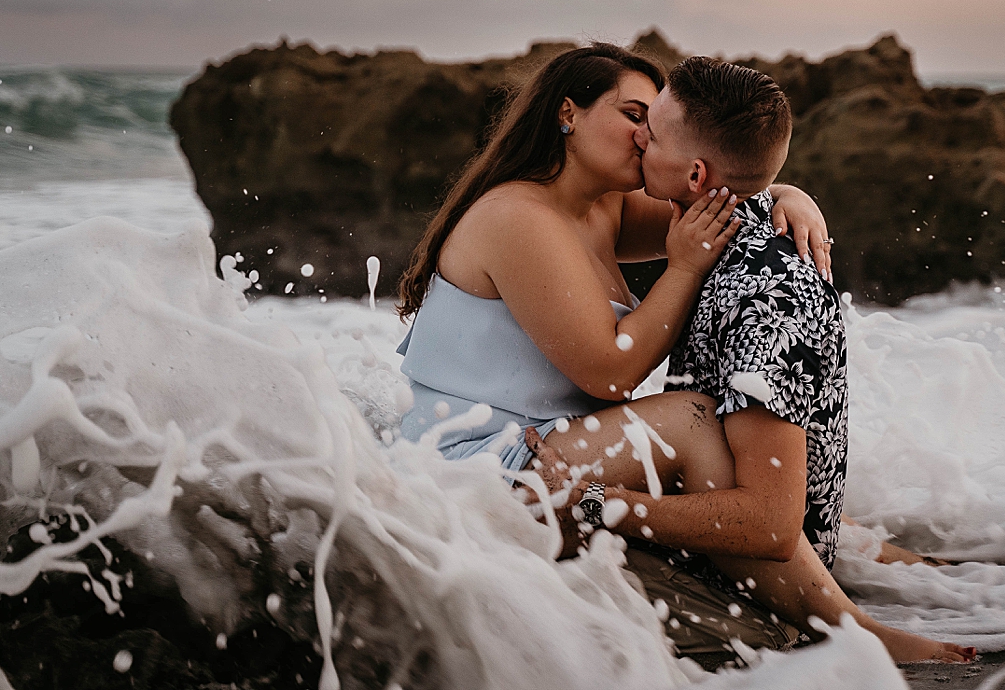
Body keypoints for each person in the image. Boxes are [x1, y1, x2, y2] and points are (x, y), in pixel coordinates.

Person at [394, 44, 970, 664]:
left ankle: (923, 571)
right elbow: (612, 373)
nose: (646, 137)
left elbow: (710, 190)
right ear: (569, 113)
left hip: (548, 444)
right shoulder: (518, 217)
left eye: (654, 122)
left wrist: (788, 193)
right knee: (694, 419)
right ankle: (857, 631)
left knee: (748, 468)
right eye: (633, 114)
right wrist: (686, 266)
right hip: (479, 470)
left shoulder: (600, 207)